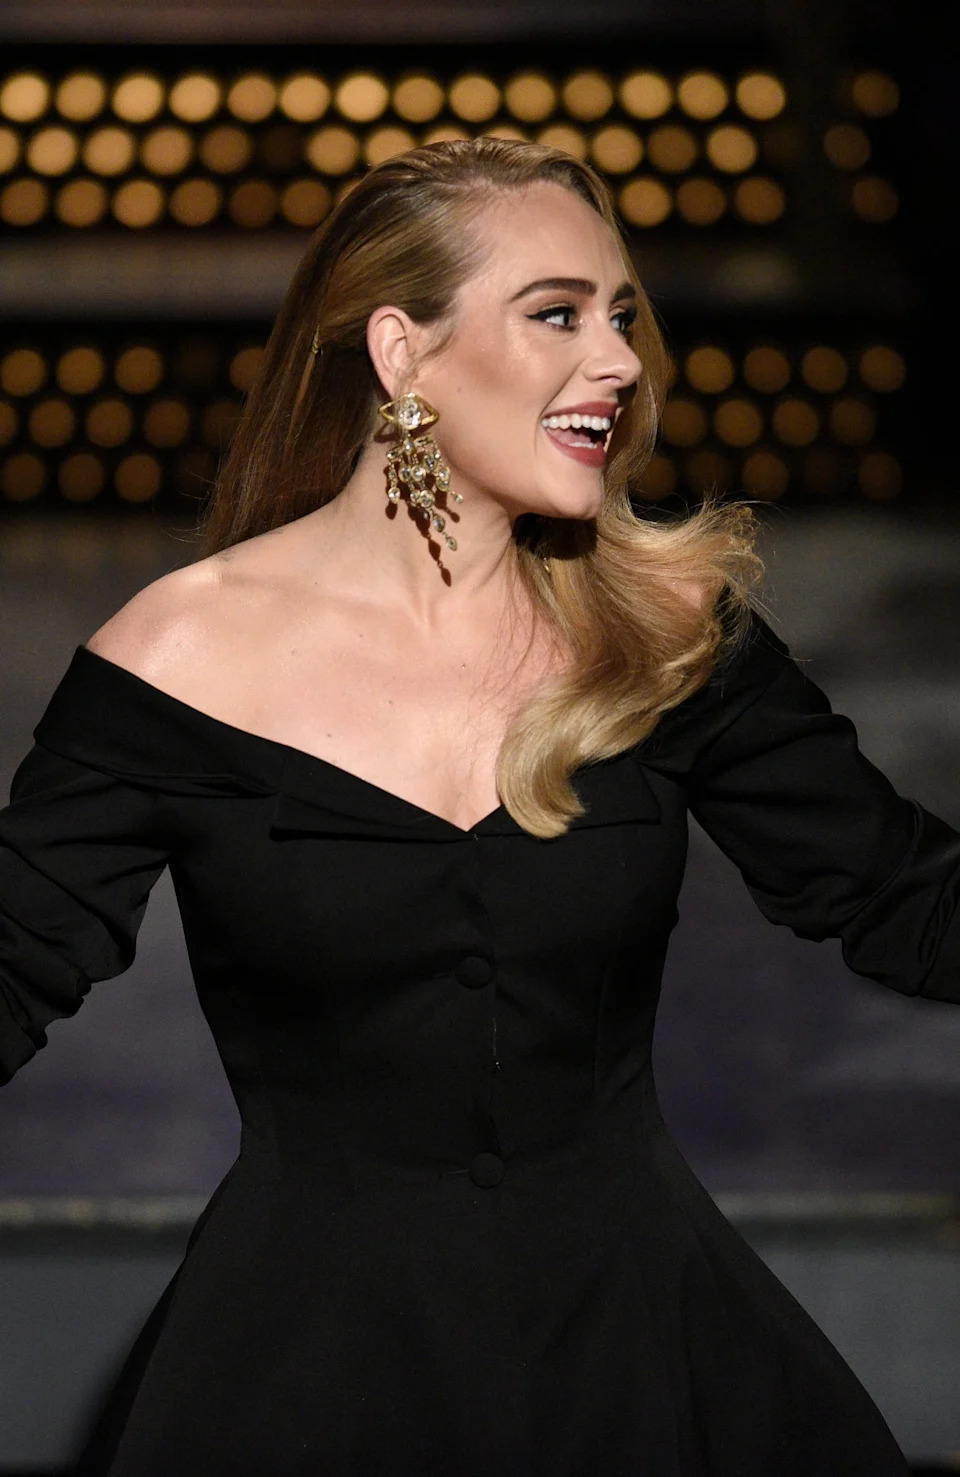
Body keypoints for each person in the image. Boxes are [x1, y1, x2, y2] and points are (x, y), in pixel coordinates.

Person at [0, 137, 954, 1476]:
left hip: (645, 1362)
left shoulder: (667, 633)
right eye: (558, 313)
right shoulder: (177, 662)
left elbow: (910, 902)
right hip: (301, 1380)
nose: (617, 359)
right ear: (402, 352)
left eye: (622, 314)